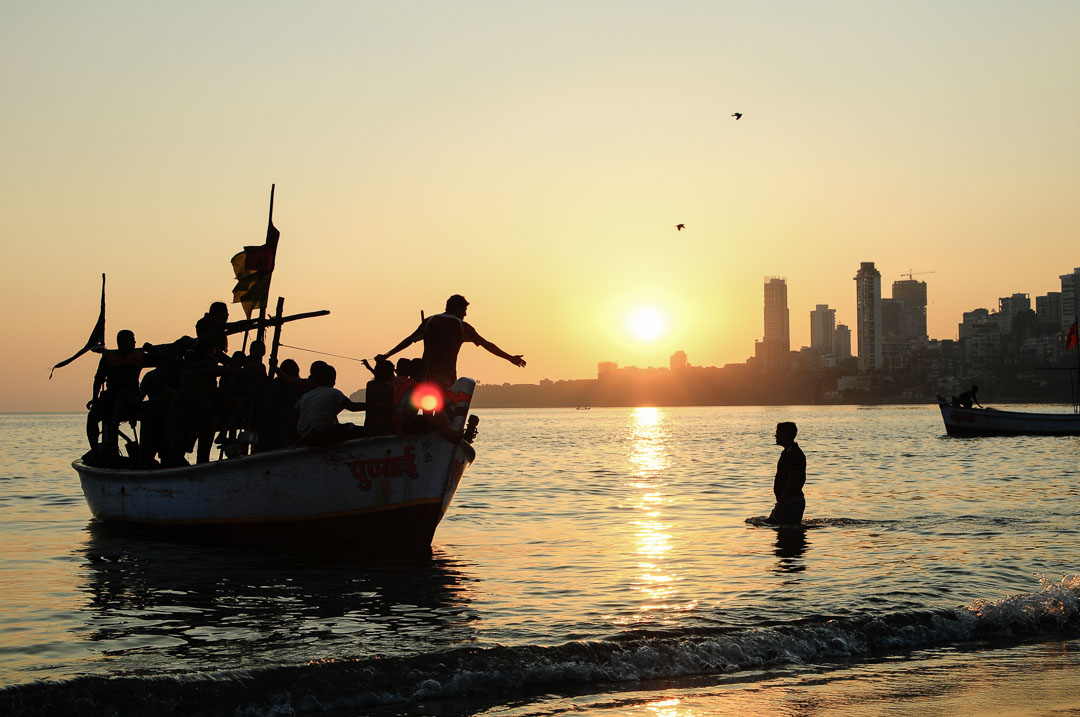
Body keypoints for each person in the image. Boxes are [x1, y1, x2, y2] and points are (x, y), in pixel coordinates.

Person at [376, 294, 526, 387]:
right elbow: (487, 344)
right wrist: (509, 358)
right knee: (443, 411)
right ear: (458, 309)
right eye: (464, 310)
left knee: (427, 410)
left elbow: (408, 341)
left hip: (426, 376)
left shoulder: (429, 321)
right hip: (446, 377)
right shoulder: (462, 326)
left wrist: (387, 355)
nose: (465, 314)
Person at [86, 329, 152, 461]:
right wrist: (94, 399)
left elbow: (162, 358)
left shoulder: (139, 356)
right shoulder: (109, 358)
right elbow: (98, 379)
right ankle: (95, 451)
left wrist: (150, 349)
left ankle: (113, 435)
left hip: (131, 398)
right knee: (92, 417)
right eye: (131, 339)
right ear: (121, 341)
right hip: (111, 397)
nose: (134, 342)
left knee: (123, 396)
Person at [294, 362, 365, 446]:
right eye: (334, 379)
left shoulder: (306, 396)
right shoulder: (333, 392)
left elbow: (294, 413)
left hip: (304, 437)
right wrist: (372, 405)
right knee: (351, 427)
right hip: (320, 435)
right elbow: (352, 407)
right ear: (332, 380)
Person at [765, 422, 805, 526]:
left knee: (786, 532)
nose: (775, 436)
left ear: (785, 434)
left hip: (790, 501)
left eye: (778, 433)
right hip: (787, 501)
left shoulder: (793, 453)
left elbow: (792, 480)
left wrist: (781, 504)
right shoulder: (788, 452)